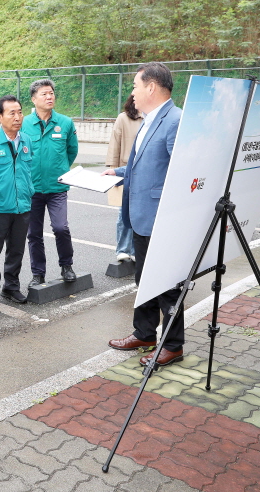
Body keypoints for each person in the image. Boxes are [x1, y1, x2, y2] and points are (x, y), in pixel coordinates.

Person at [103, 62, 184, 367]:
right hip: (141, 215)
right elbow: (146, 164)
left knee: (166, 283)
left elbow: (181, 171)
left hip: (160, 217)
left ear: (151, 87)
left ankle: (173, 345)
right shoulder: (149, 119)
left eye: (136, 86)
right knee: (144, 278)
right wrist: (119, 172)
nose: (132, 93)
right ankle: (145, 333)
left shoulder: (175, 120)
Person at [0, 95, 35, 307]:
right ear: (0, 117)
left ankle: (11, 287)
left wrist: (28, 191)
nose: (18, 117)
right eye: (12, 113)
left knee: (17, 250)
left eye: (20, 112)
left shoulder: (27, 141)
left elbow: (29, 170)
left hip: (22, 206)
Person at [21, 79, 79, 287]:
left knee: (61, 227)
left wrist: (60, 168)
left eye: (51, 93)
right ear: (33, 99)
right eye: (44, 94)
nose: (49, 97)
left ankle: (67, 266)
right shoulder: (24, 123)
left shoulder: (65, 122)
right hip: (32, 188)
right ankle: (38, 273)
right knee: (34, 233)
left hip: (57, 187)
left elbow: (71, 151)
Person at [106, 94, 143, 262]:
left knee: (141, 213)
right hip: (125, 172)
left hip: (144, 173)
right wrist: (112, 170)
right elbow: (114, 145)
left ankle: (136, 250)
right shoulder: (123, 118)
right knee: (124, 213)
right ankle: (122, 248)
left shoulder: (151, 118)